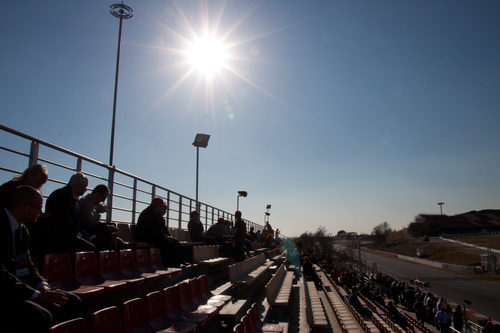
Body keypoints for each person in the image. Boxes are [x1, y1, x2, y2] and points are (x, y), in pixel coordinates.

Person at [1, 186, 82, 333]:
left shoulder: (22, 230)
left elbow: (29, 266)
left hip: (21, 286)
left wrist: (42, 286)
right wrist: (37, 296)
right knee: (40, 316)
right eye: (39, 207)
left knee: (71, 302)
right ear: (24, 207)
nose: (41, 212)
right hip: (6, 292)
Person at [39, 172, 95, 256]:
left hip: (69, 234)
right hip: (60, 236)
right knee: (92, 250)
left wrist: (83, 232)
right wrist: (80, 235)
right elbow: (64, 222)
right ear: (78, 185)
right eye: (85, 186)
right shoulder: (62, 195)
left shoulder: (71, 197)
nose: (86, 189)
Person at [133, 198, 182, 267]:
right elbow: (152, 230)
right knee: (165, 243)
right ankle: (165, 263)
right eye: (164, 208)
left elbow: (164, 229)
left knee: (175, 242)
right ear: (157, 207)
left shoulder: (159, 217)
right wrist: (165, 237)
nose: (165, 211)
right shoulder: (147, 214)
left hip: (155, 236)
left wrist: (170, 236)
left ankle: (175, 262)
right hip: (144, 236)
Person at [78, 184, 125, 250]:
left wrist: (107, 226)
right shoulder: (86, 202)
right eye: (103, 197)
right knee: (110, 242)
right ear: (97, 194)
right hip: (86, 234)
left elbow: (95, 223)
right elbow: (89, 224)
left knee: (119, 242)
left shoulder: (93, 204)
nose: (103, 201)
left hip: (92, 232)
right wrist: (106, 227)